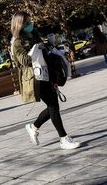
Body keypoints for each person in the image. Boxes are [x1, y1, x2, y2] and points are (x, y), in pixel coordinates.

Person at [10, 11, 80, 150]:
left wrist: (47, 45)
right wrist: (35, 50)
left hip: (46, 72)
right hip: (34, 77)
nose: (31, 24)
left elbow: (44, 50)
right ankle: (63, 138)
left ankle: (34, 127)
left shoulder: (34, 33)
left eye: (30, 21)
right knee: (53, 105)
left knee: (53, 106)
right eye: (27, 23)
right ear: (20, 24)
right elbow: (24, 61)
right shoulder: (17, 42)